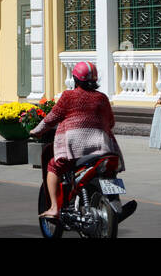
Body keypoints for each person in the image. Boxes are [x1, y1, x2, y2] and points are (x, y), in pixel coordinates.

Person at [30, 61, 124, 220]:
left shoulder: (68, 96)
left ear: (75, 79)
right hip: (104, 149)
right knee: (110, 172)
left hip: (76, 150)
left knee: (53, 166)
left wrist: (35, 131)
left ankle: (53, 207)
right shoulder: (102, 98)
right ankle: (116, 201)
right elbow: (111, 122)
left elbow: (51, 118)